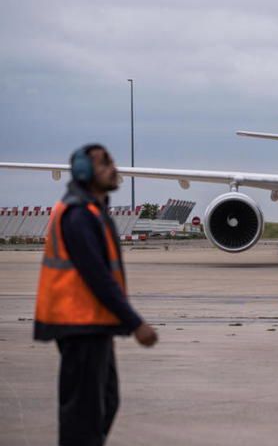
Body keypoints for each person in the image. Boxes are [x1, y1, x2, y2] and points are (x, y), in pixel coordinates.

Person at [34, 144, 158, 445]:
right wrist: (135, 323)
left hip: (93, 323)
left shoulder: (93, 210)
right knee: (83, 414)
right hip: (78, 325)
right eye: (105, 164)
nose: (114, 168)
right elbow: (97, 277)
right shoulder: (78, 215)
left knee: (106, 402)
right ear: (84, 173)